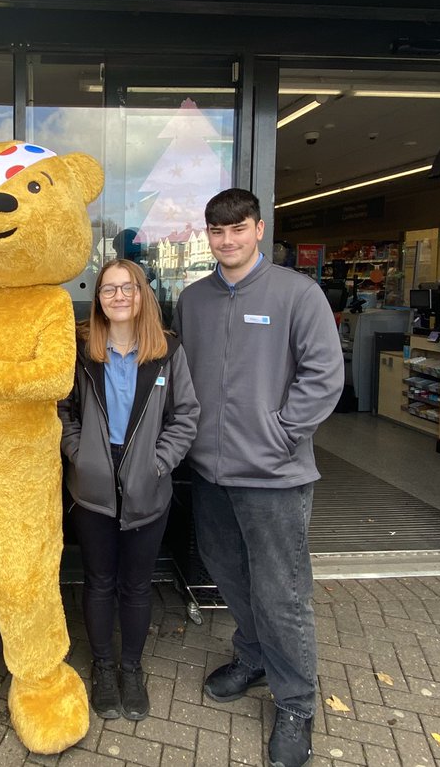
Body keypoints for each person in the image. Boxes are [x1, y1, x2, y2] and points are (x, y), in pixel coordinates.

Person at [172, 189, 343, 767]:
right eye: (217, 232)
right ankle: (253, 656)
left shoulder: (299, 293)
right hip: (210, 472)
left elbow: (324, 376)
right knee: (226, 572)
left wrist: (282, 432)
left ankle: (296, 703)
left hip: (274, 475)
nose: (227, 241)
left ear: (259, 229)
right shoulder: (192, 300)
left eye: (237, 229)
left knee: (283, 591)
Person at [59, 259, 199, 721]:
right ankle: (102, 668)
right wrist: (82, 455)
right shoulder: (81, 350)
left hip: (148, 483)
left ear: (143, 295)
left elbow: (185, 417)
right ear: (97, 300)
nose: (118, 297)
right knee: (99, 582)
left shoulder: (167, 352)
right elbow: (62, 411)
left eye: (128, 288)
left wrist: (159, 463)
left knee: (137, 586)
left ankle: (131, 669)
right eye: (108, 290)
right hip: (93, 484)